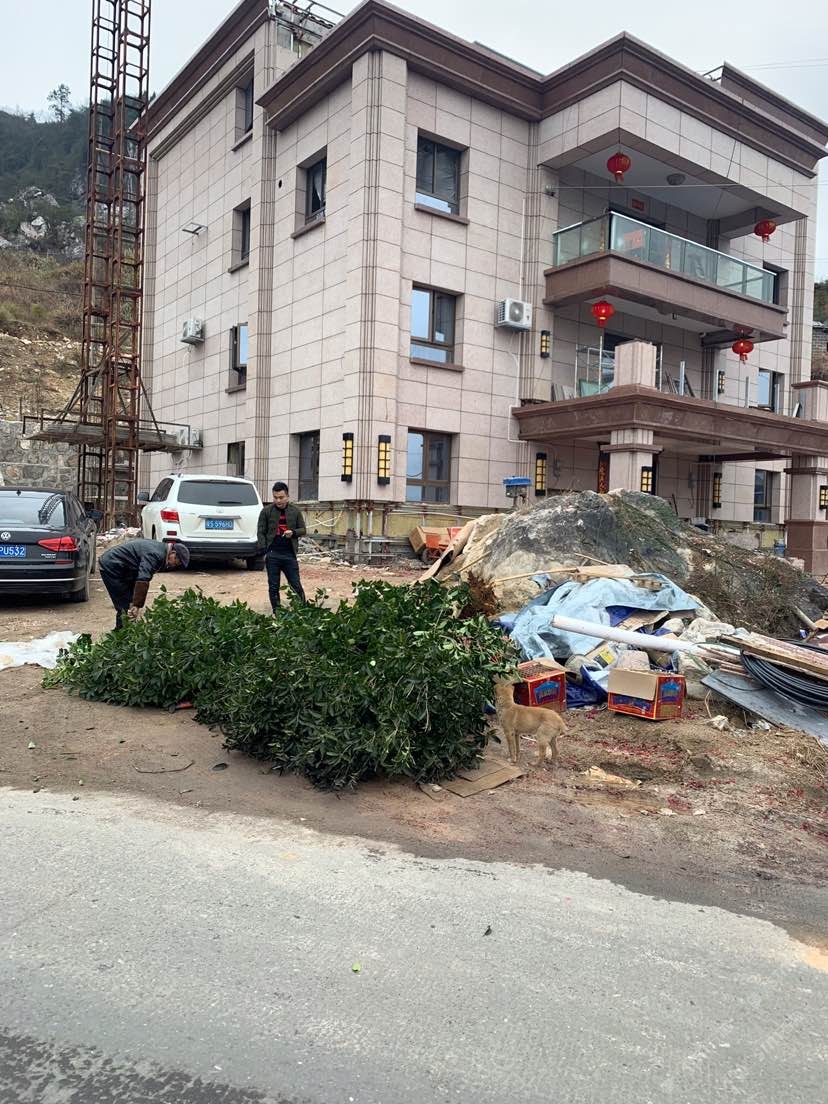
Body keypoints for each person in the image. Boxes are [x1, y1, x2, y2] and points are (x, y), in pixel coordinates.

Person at [98, 538, 190, 630]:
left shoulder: (161, 550)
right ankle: (121, 634)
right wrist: (137, 605)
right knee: (125, 607)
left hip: (123, 568)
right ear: (173, 553)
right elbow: (143, 578)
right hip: (111, 566)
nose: (175, 565)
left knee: (130, 603)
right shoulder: (156, 555)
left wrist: (135, 602)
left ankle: (127, 630)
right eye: (177, 562)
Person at [257, 482, 306, 612]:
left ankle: (303, 611)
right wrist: (264, 551)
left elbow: (303, 529)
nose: (278, 500)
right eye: (275, 497)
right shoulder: (266, 511)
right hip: (273, 554)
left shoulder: (295, 511)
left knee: (295, 584)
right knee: (273, 586)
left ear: (287, 496)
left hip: (289, 554)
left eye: (281, 497)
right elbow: (261, 532)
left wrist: (293, 532)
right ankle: (277, 613)